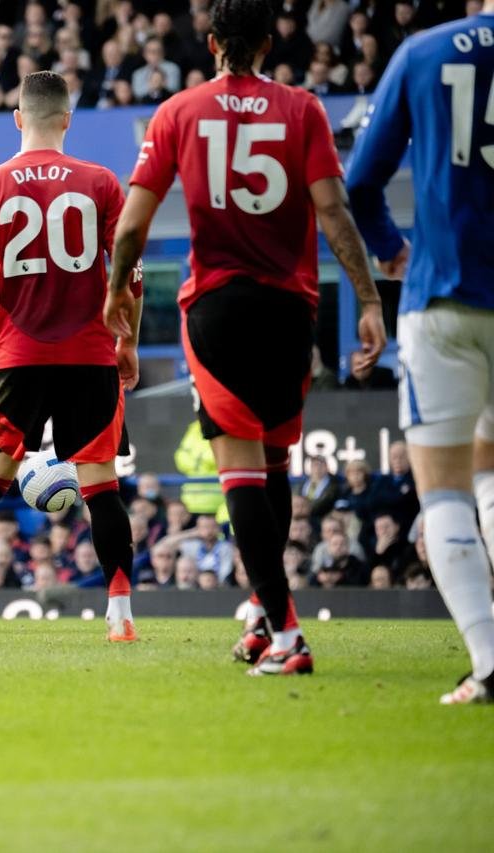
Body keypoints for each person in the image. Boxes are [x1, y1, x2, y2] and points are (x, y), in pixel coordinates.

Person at [104, 0, 386, 675]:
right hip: (292, 309)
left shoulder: (178, 112)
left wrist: (117, 291)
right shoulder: (304, 109)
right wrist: (370, 297)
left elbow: (132, 226)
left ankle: (287, 635)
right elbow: (333, 210)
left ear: (210, 43)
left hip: (220, 308)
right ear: (267, 44)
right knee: (276, 463)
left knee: (241, 469)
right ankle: (263, 615)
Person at [0, 71, 138, 642]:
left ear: (17, 119)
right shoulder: (101, 183)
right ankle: (120, 616)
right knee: (102, 490)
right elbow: (129, 280)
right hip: (90, 357)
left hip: (16, 358)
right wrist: (128, 344)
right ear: (67, 119)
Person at [345, 0, 494, 703]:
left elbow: (361, 183)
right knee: (491, 477)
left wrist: (394, 253)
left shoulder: (427, 51)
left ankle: (489, 662)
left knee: (446, 488)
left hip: (442, 299)